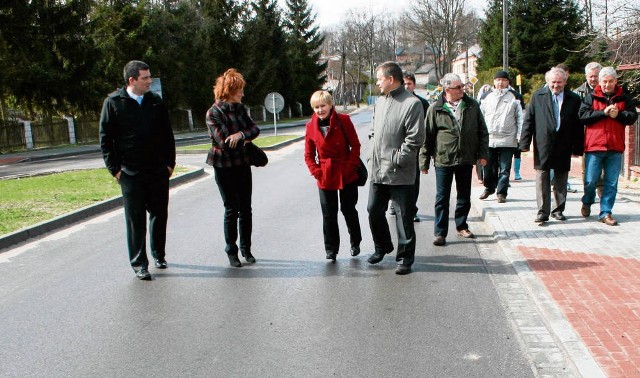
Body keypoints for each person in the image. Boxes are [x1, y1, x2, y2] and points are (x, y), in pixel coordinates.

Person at [99, 60, 176, 280]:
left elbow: (167, 135)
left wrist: (169, 164)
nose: (149, 81)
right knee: (135, 219)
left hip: (157, 171)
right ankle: (139, 263)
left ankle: (158, 254)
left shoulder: (155, 102)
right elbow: (106, 139)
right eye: (145, 78)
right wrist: (115, 169)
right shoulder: (114, 103)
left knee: (159, 214)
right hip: (130, 173)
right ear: (132, 80)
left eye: (149, 77)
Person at [367, 61, 425, 275]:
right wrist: (370, 154)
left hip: (399, 171)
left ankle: (404, 259)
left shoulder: (412, 103)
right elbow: (374, 131)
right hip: (378, 169)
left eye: (380, 79)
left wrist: (397, 158)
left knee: (403, 218)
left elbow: (415, 138)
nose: (377, 82)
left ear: (391, 79)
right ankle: (382, 247)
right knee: (373, 211)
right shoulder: (380, 102)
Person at [420, 73, 489, 246]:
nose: (462, 89)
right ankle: (440, 232)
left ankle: (462, 226)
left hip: (466, 157)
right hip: (444, 158)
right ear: (447, 89)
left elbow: (482, 131)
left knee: (464, 195)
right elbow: (427, 136)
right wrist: (424, 161)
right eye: (458, 87)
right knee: (442, 197)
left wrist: (482, 154)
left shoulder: (472, 105)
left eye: (462, 86)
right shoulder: (435, 108)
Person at [206, 68, 261, 267]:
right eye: (239, 90)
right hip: (223, 165)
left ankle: (246, 248)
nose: (242, 94)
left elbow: (255, 129)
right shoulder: (214, 112)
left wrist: (241, 136)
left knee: (246, 208)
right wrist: (242, 137)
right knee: (231, 208)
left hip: (242, 164)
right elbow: (223, 142)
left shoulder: (240, 109)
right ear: (229, 91)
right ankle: (232, 250)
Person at [519, 67, 583, 224]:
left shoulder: (574, 99)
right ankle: (542, 211)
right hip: (543, 143)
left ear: (565, 82)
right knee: (542, 176)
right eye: (553, 82)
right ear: (548, 82)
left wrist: (577, 147)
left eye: (559, 82)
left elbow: (578, 125)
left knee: (561, 177)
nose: (556, 85)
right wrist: (524, 143)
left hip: (564, 143)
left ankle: (558, 210)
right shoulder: (538, 96)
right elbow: (529, 120)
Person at [304, 91, 362, 261]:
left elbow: (355, 146)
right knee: (329, 214)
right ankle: (331, 249)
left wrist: (350, 167)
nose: (320, 110)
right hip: (325, 174)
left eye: (323, 106)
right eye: (316, 107)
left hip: (346, 172)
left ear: (330, 105)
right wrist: (317, 172)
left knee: (348, 209)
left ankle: (355, 242)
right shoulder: (310, 127)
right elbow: (308, 155)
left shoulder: (343, 120)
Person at [579, 67, 638, 226]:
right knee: (591, 180)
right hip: (594, 146)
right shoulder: (591, 97)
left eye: (611, 81)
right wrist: (603, 113)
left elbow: (632, 117)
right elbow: (583, 116)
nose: (607, 84)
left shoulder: (624, 98)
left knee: (611, 183)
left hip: (615, 147)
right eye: (604, 81)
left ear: (615, 81)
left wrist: (618, 114)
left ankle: (605, 213)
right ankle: (587, 200)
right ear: (600, 82)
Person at [478, 70, 523, 203]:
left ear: (508, 82)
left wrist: (519, 137)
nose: (500, 82)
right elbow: (480, 117)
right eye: (498, 80)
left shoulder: (515, 96)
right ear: (494, 81)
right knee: (487, 166)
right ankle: (489, 187)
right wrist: (480, 136)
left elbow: (521, 118)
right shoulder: (486, 96)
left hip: (508, 138)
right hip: (489, 138)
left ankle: (501, 192)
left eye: (503, 80)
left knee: (504, 168)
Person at [575, 62, 604, 198]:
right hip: (585, 136)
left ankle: (602, 194)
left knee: (603, 169)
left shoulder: (608, 91)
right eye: (591, 76)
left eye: (596, 76)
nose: (593, 79)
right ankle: (588, 195)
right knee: (587, 169)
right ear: (586, 76)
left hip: (603, 135)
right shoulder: (578, 93)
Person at [404, 71, 429, 222]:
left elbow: (427, 125)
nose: (407, 86)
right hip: (398, 146)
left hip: (416, 147)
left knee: (414, 179)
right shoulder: (395, 101)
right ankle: (396, 204)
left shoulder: (422, 103)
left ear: (414, 85)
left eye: (409, 84)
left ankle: (412, 209)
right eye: (404, 83)